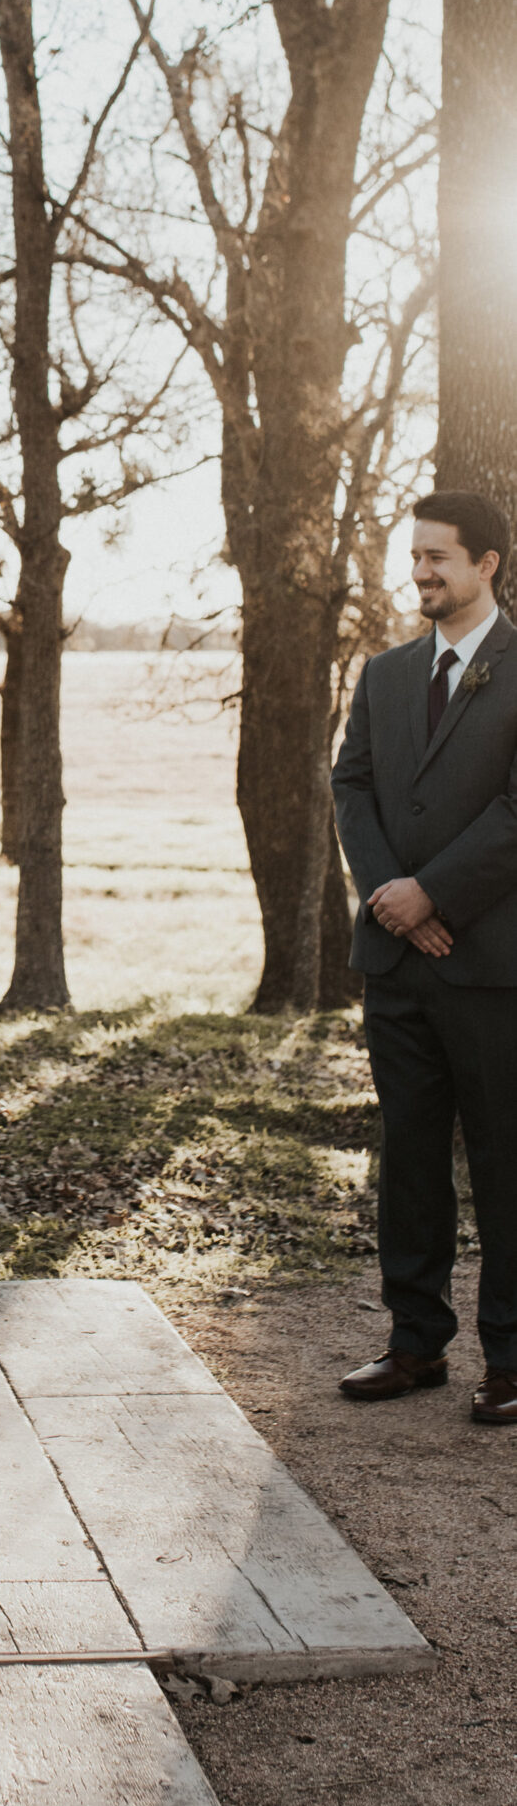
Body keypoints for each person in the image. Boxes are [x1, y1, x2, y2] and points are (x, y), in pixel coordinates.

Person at [331, 490, 517, 1427]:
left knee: (504, 1159)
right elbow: (352, 781)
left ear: (488, 563)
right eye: (414, 557)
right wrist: (392, 899)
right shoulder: (388, 673)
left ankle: (513, 1360)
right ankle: (415, 1344)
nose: (420, 573)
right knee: (408, 1159)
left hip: (493, 965)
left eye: (438, 558)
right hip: (398, 963)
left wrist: (434, 894)